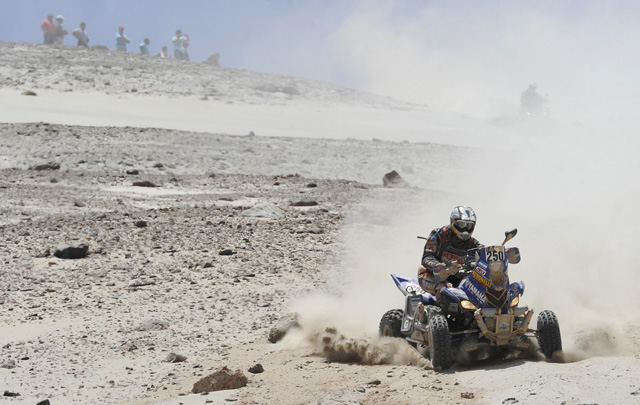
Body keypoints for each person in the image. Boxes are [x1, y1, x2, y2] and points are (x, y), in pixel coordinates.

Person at [418, 206, 483, 296]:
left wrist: (504, 252)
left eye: (469, 226)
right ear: (453, 222)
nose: (465, 230)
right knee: (443, 289)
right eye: (462, 225)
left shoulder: (473, 243)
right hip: (435, 277)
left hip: (460, 280)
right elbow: (427, 257)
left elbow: (485, 251)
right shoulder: (440, 234)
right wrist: (439, 266)